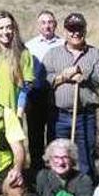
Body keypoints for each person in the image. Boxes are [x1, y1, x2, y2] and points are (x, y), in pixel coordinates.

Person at [43, 13, 99, 177]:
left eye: (79, 29)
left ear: (85, 30)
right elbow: (45, 79)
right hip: (59, 116)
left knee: (86, 158)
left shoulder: (95, 54)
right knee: (57, 157)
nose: (76, 33)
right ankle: (56, 193)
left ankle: (86, 195)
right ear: (65, 31)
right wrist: (63, 77)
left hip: (85, 116)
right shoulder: (52, 54)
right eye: (72, 29)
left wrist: (83, 75)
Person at [24, 10, 63, 174]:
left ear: (55, 24)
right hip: (35, 95)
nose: (47, 25)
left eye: (50, 22)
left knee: (54, 134)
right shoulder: (30, 45)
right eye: (43, 22)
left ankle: (54, 171)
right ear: (38, 25)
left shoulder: (62, 44)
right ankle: (36, 172)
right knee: (35, 136)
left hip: (55, 95)